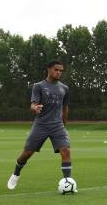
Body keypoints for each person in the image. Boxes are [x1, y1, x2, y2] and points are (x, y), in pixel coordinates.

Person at [8, 60, 73, 190]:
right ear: (48, 69)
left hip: (57, 125)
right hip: (41, 124)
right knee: (27, 153)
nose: (59, 72)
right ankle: (16, 174)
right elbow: (33, 104)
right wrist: (34, 108)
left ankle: (67, 183)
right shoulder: (38, 86)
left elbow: (65, 108)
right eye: (56, 70)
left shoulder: (65, 88)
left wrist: (63, 125)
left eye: (61, 71)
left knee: (65, 151)